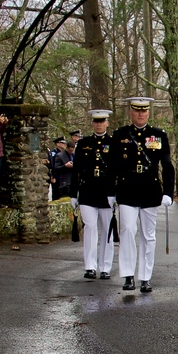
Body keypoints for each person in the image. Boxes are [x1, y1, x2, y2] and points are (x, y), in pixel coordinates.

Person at [111, 96, 175, 293]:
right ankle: (128, 275)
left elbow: (167, 165)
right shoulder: (120, 134)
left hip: (149, 188)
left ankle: (145, 277)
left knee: (148, 235)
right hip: (127, 188)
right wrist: (110, 191)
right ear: (131, 112)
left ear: (148, 112)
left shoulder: (158, 135)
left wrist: (168, 192)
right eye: (137, 110)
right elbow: (112, 165)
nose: (140, 114)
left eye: (144, 110)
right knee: (128, 230)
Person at [71, 109, 117, 280]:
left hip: (106, 192)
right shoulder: (84, 144)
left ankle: (105, 267)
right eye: (96, 121)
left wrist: (114, 192)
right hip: (88, 191)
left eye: (102, 121)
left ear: (107, 123)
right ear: (92, 123)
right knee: (90, 228)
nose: (98, 124)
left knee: (107, 230)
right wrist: (73, 194)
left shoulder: (113, 143)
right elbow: (76, 170)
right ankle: (90, 266)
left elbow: (116, 171)